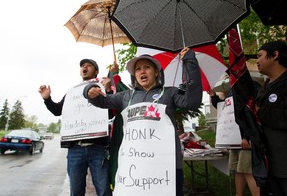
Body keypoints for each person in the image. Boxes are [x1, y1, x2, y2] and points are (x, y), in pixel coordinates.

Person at [83, 48, 202, 196]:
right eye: (138, 69)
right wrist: (89, 90)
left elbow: (193, 101)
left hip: (167, 166)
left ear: (156, 72)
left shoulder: (170, 93)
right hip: (136, 165)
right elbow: (101, 101)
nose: (142, 72)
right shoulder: (125, 96)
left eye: (147, 67)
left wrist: (190, 61)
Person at [38, 59, 112, 196]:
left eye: (88, 65)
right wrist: (47, 99)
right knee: (76, 191)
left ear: (96, 71)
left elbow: (111, 110)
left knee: (104, 190)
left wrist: (108, 90)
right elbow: (57, 110)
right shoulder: (72, 93)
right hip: (75, 150)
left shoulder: (102, 86)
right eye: (82, 66)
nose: (84, 67)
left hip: (98, 149)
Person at [207, 88, 260, 196]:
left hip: (245, 139)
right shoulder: (232, 91)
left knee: (247, 170)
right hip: (234, 139)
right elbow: (223, 108)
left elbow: (250, 114)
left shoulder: (249, 87)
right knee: (238, 170)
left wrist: (247, 136)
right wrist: (213, 96)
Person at [255, 41, 287, 196]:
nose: (257, 61)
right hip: (267, 164)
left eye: (260, 56)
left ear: (275, 55)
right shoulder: (264, 88)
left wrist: (260, 112)